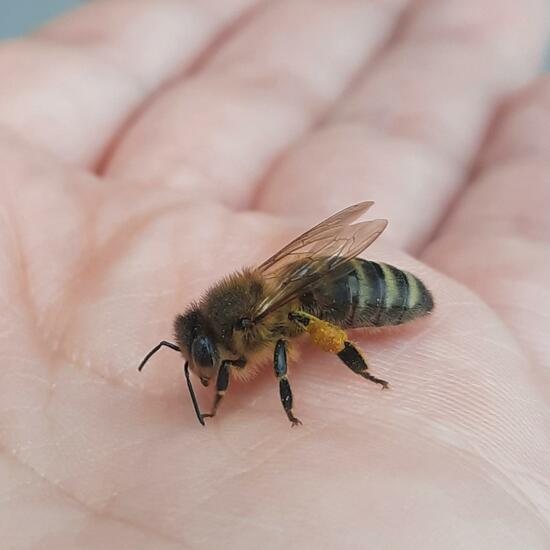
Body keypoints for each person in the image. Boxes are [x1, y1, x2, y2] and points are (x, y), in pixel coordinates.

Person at [0, 1, 549, 547]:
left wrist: (289, 397)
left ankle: (363, 373)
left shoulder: (254, 326)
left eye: (206, 362)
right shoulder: (237, 313)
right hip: (324, 273)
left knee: (304, 330)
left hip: (358, 290)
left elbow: (281, 355)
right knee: (302, 318)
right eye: (203, 362)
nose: (203, 368)